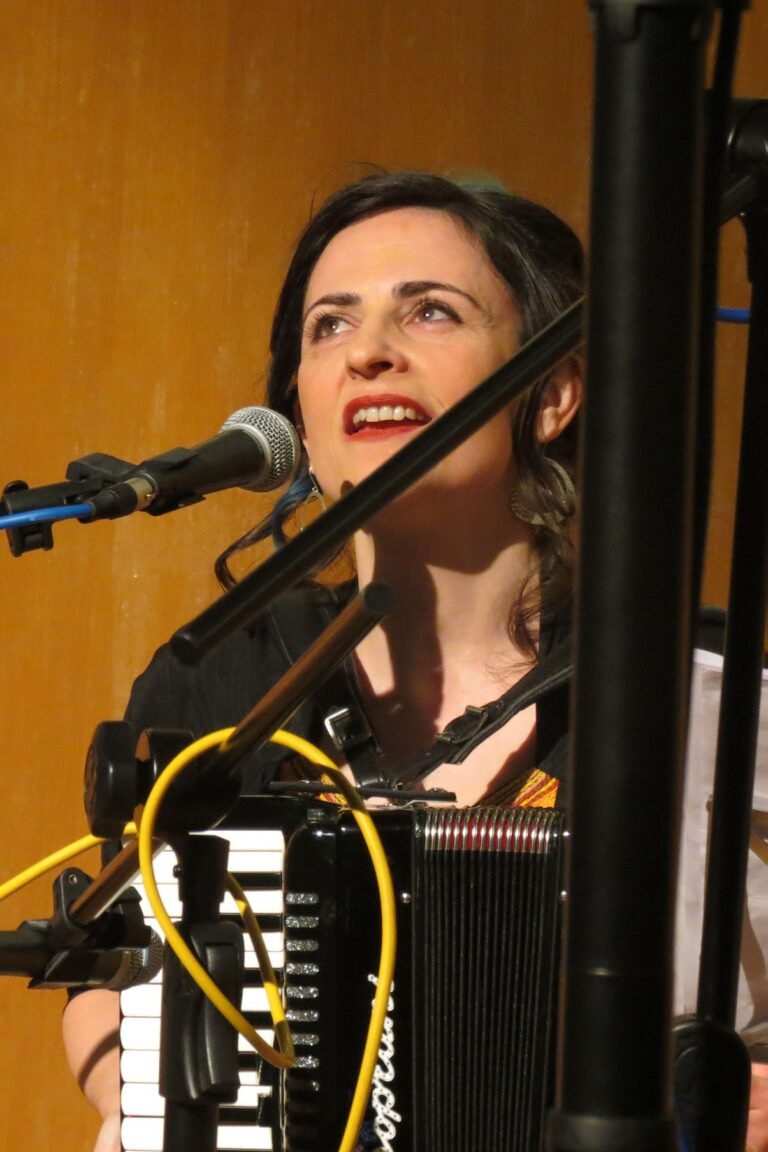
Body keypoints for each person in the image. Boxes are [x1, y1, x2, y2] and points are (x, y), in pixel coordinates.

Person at [61, 171, 765, 1151]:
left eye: (432, 312)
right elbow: (111, 973)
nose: (369, 354)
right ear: (301, 416)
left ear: (554, 393)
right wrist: (137, 1107)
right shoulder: (223, 681)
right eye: (330, 326)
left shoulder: (703, 695)